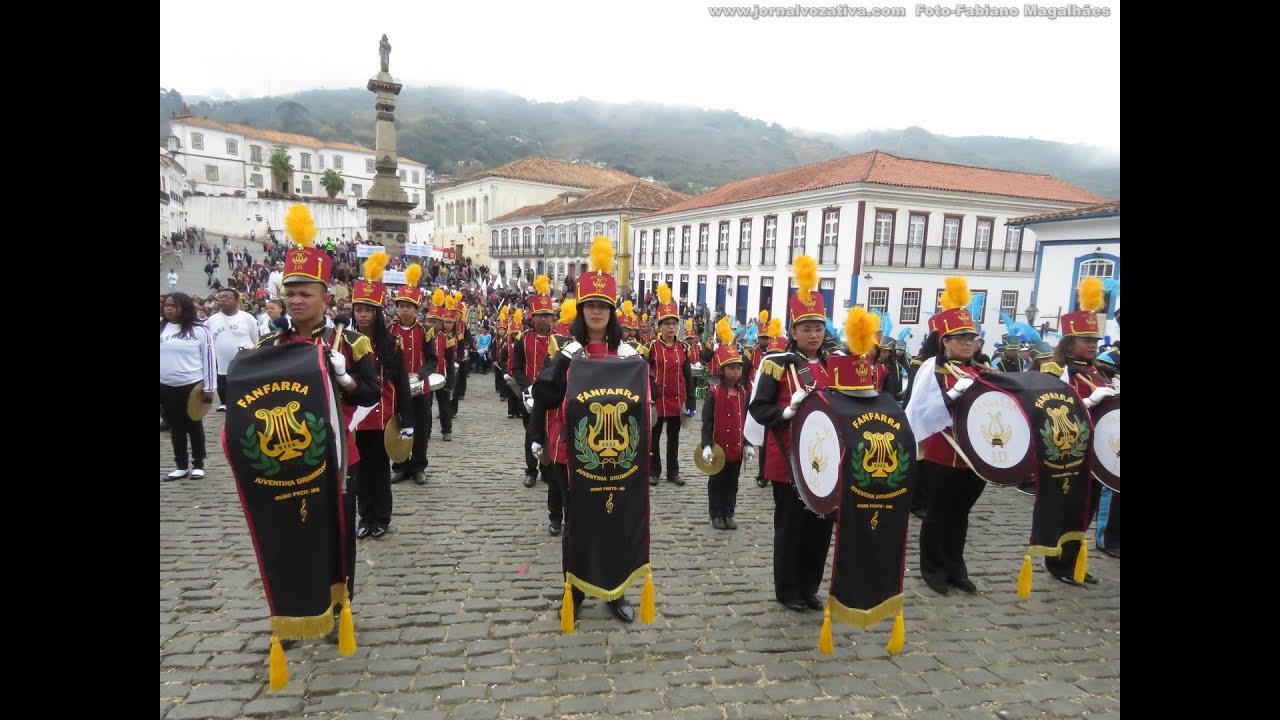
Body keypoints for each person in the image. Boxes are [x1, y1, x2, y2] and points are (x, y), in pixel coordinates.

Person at [530, 237, 646, 626]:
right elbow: (543, 395)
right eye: (590, 306)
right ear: (581, 310)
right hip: (571, 456)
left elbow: (644, 404)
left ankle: (616, 591)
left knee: (616, 521)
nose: (597, 312)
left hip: (618, 457)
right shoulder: (566, 353)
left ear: (612, 312)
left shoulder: (629, 357)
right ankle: (575, 590)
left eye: (603, 306)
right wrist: (535, 437)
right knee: (577, 525)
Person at [746, 256, 835, 613]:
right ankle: (787, 589)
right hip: (787, 461)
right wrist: (785, 412)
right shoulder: (777, 364)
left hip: (825, 462)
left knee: (820, 528)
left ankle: (810, 587)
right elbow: (758, 408)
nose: (814, 335)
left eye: (819, 328)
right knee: (791, 528)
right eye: (807, 328)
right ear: (794, 331)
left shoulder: (835, 365)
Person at [904, 277, 988, 596]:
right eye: (961, 338)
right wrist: (952, 394)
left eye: (972, 338)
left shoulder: (980, 370)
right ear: (946, 341)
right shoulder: (931, 369)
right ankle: (933, 569)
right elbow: (922, 410)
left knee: (961, 514)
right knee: (938, 514)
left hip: (974, 456)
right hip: (943, 454)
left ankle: (956, 568)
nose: (968, 343)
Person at [1045, 278, 1118, 581]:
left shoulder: (1098, 370)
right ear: (1068, 343)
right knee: (1070, 510)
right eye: (1086, 340)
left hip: (1098, 451)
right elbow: (1052, 410)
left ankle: (1075, 562)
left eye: (1095, 341)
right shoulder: (1059, 370)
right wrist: (1088, 401)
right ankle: (1059, 562)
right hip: (1072, 452)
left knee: (1086, 512)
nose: (1092, 345)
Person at [349, 257, 414, 540]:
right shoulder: (346, 341)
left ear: (376, 313)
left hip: (384, 416)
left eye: (368, 310)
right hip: (356, 417)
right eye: (358, 310)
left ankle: (382, 518)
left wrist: (406, 418)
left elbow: (401, 383)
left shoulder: (392, 344)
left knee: (380, 470)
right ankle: (365, 516)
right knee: (360, 471)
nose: (363, 315)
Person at [702, 317, 752, 530]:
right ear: (722, 370)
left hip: (736, 447)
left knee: (732, 483)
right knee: (717, 483)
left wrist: (747, 443)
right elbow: (707, 421)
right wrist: (706, 445)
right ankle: (716, 514)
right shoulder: (713, 393)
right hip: (718, 446)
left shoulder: (743, 393)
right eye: (731, 368)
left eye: (738, 368)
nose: (735, 372)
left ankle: (729, 513)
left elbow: (746, 419)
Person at [160, 292, 216, 480]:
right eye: (166, 305)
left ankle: (198, 463)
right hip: (166, 385)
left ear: (184, 308)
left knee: (194, 424)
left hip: (192, 385)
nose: (168, 309)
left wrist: (210, 387)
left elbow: (209, 359)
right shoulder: (162, 328)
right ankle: (181, 465)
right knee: (175, 427)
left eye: (173, 306)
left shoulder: (199, 331)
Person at [647, 284, 695, 487]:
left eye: (673, 324)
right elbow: (646, 373)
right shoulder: (651, 348)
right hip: (657, 400)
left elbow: (688, 374)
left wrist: (691, 399)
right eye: (666, 324)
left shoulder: (683, 347)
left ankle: (673, 472)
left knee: (674, 439)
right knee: (654, 438)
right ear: (660, 327)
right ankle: (654, 471)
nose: (670, 327)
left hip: (677, 399)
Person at [389, 265, 433, 486]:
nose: (405, 310)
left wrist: (421, 373)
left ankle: (419, 466)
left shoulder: (425, 331)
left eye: (409, 307)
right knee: (398, 426)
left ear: (417, 310)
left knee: (420, 428)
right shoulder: (390, 331)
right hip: (396, 389)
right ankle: (399, 465)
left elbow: (433, 359)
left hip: (419, 389)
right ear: (396, 309)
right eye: (401, 306)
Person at [512, 276, 555, 489]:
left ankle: (548, 468)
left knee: (549, 432)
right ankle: (531, 470)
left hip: (551, 395)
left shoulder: (558, 340)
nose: (544, 320)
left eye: (547, 315)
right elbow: (516, 368)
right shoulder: (523, 339)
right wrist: (527, 387)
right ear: (533, 316)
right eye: (540, 315)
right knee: (531, 432)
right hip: (529, 395)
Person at [205, 288, 261, 412]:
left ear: (236, 300)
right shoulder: (212, 320)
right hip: (222, 359)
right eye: (221, 297)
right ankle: (224, 402)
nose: (223, 300)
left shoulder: (248, 318)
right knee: (223, 379)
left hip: (245, 359)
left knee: (244, 381)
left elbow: (257, 338)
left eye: (227, 297)